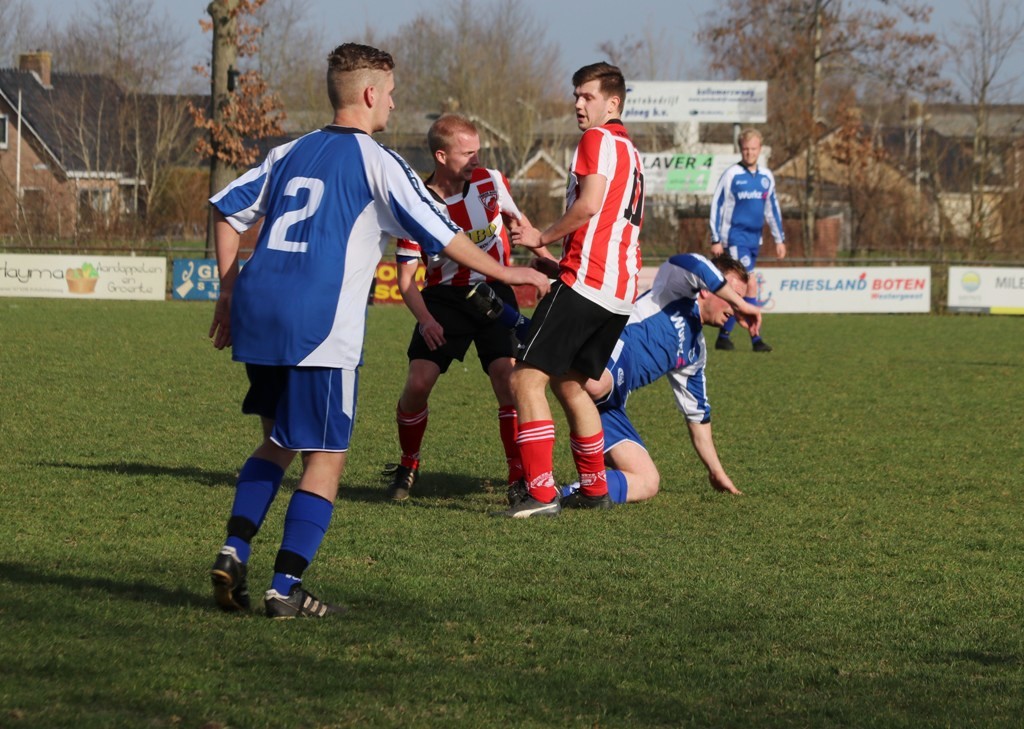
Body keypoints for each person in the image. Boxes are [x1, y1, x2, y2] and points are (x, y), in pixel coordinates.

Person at [206, 43, 549, 619]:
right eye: (390, 93)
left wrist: (227, 290)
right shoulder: (377, 161)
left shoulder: (290, 150)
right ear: (369, 94)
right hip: (317, 327)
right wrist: (510, 272)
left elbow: (225, 209)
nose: (392, 102)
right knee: (325, 458)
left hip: (259, 315)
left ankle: (234, 549)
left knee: (280, 441)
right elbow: (442, 231)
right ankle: (284, 589)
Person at [387, 113, 554, 501]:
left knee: (508, 381)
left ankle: (518, 477)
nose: (477, 160)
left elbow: (521, 223)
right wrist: (425, 320)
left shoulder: (490, 181)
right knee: (418, 384)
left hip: (496, 292)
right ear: (441, 156)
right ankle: (409, 463)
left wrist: (549, 261)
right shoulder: (417, 204)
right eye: (468, 154)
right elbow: (406, 279)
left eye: (478, 151)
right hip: (445, 299)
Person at [503, 61, 645, 518]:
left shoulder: (596, 139)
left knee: (525, 378)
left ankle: (541, 494)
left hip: (586, 282)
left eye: (588, 96)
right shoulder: (631, 151)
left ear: (613, 103)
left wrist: (540, 236)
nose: (578, 104)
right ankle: (594, 487)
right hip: (618, 293)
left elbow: (588, 206)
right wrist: (554, 257)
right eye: (576, 96)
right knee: (570, 383)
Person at [560, 253, 761, 505]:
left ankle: (560, 494)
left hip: (610, 405)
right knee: (596, 383)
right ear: (706, 288)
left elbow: (698, 416)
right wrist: (743, 304)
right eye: (732, 297)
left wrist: (717, 473)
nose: (735, 307)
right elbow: (693, 263)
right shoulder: (675, 289)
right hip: (605, 355)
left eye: (739, 300)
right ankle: (535, 338)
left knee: (647, 481)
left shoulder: (695, 352)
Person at [709, 128, 785, 352]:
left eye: (753, 149)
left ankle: (724, 336)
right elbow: (717, 205)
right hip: (735, 238)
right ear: (740, 149)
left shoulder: (766, 177)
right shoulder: (732, 174)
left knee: (740, 288)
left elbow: (772, 210)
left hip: (754, 240)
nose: (749, 153)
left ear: (760, 149)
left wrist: (779, 239)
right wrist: (715, 238)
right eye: (745, 149)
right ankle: (755, 338)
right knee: (750, 283)